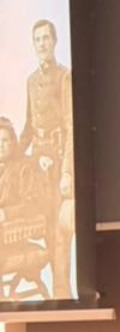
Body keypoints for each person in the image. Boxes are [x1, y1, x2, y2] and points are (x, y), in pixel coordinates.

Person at [19, 19, 74, 299]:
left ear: (55, 41)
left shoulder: (64, 77)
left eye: (46, 38)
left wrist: (66, 172)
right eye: (37, 39)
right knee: (36, 227)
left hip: (57, 166)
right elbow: (29, 128)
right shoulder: (31, 81)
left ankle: (62, 295)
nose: (42, 44)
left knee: (58, 234)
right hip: (37, 169)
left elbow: (71, 126)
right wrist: (12, 157)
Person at [0, 117, 50, 298]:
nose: (0, 146)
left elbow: (31, 205)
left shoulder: (23, 168)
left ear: (13, 143)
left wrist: (5, 214)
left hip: (13, 238)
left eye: (5, 140)